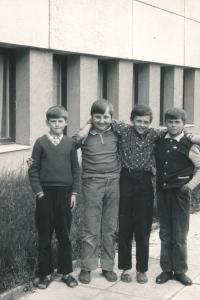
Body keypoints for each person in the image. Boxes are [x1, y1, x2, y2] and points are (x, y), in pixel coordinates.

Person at [77, 104, 199, 284]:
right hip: (124, 179)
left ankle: (142, 269)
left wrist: (189, 135)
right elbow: (102, 117)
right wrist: (88, 123)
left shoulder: (155, 134)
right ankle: (126, 268)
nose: (141, 125)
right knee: (125, 226)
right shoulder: (123, 129)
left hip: (145, 181)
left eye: (145, 122)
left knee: (143, 227)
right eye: (138, 121)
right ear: (132, 120)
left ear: (150, 123)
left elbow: (176, 134)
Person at [28, 106, 79, 289]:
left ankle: (66, 272)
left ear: (66, 123)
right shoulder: (40, 143)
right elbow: (33, 170)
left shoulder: (70, 144)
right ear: (47, 123)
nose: (57, 124)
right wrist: (39, 192)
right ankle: (45, 274)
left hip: (65, 194)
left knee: (64, 235)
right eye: (53, 121)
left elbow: (75, 169)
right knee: (45, 235)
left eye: (60, 121)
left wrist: (74, 193)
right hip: (45, 194)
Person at [75, 99, 120, 284]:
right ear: (91, 117)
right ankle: (87, 267)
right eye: (97, 117)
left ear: (112, 118)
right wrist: (87, 126)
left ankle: (108, 267)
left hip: (113, 182)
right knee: (91, 227)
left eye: (106, 117)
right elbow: (74, 142)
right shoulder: (85, 134)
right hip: (92, 183)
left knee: (109, 228)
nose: (102, 121)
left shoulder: (117, 133)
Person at [155, 107, 200, 286]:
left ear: (183, 124)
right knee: (165, 233)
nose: (173, 125)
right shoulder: (160, 141)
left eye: (177, 122)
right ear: (165, 123)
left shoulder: (189, 144)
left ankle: (180, 271)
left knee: (180, 234)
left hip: (180, 194)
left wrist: (189, 185)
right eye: (170, 122)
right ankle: (166, 270)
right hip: (162, 192)